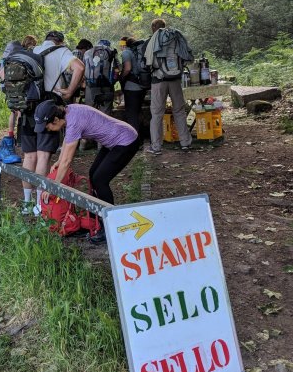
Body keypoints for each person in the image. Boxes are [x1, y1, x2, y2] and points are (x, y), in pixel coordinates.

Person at [34, 99, 140, 244]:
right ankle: (94, 220)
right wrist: (59, 159)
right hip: (114, 140)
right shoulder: (69, 111)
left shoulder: (74, 122)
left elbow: (67, 161)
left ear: (56, 120)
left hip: (126, 141)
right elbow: (68, 139)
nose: (48, 130)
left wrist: (53, 187)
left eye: (48, 127)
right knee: (93, 175)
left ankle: (109, 226)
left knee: (100, 180)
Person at [19, 30, 85, 215]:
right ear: (60, 41)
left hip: (27, 108)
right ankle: (40, 204)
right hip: (48, 109)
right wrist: (70, 91)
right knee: (43, 156)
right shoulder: (61, 51)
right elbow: (79, 67)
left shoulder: (31, 51)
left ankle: (26, 203)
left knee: (29, 157)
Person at [145, 19, 193, 155]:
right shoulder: (175, 37)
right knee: (179, 111)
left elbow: (147, 62)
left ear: (153, 27)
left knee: (157, 114)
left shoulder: (152, 40)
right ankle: (185, 143)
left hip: (158, 80)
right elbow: (185, 56)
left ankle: (156, 147)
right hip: (175, 79)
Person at [0, 35, 36, 164]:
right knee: (20, 111)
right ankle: (19, 139)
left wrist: (7, 83)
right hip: (18, 88)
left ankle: (11, 135)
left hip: (8, 87)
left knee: (14, 111)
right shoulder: (23, 56)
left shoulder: (9, 55)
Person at [120, 36, 148, 132]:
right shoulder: (139, 52)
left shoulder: (126, 52)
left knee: (132, 114)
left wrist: (121, 77)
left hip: (131, 88)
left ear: (125, 44)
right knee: (138, 111)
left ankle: (133, 138)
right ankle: (141, 136)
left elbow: (127, 68)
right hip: (142, 86)